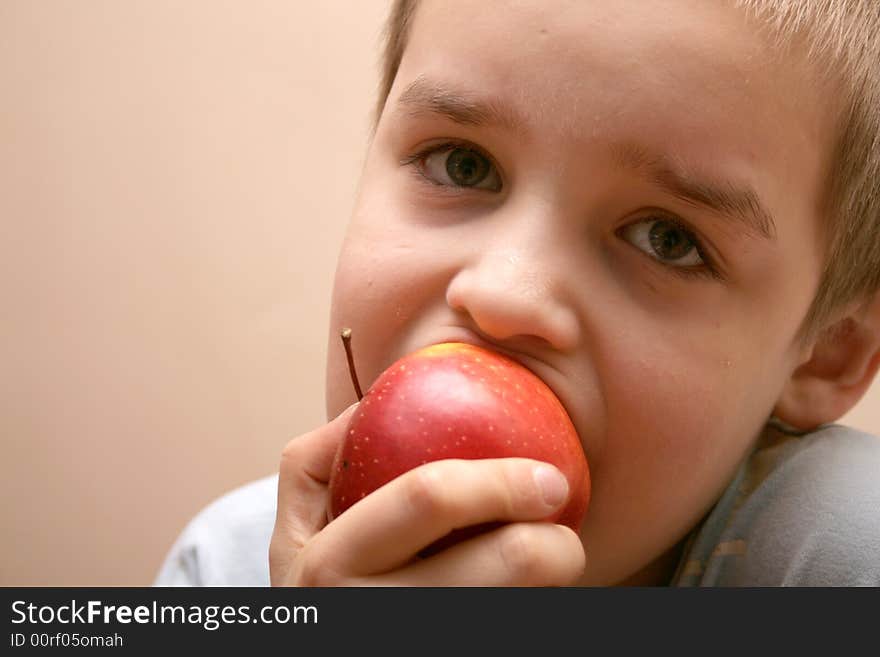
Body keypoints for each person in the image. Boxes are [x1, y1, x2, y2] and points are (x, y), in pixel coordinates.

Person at [154, 0, 880, 587]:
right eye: (463, 165)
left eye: (667, 237)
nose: (505, 294)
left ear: (828, 353)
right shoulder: (220, 573)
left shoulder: (842, 559)